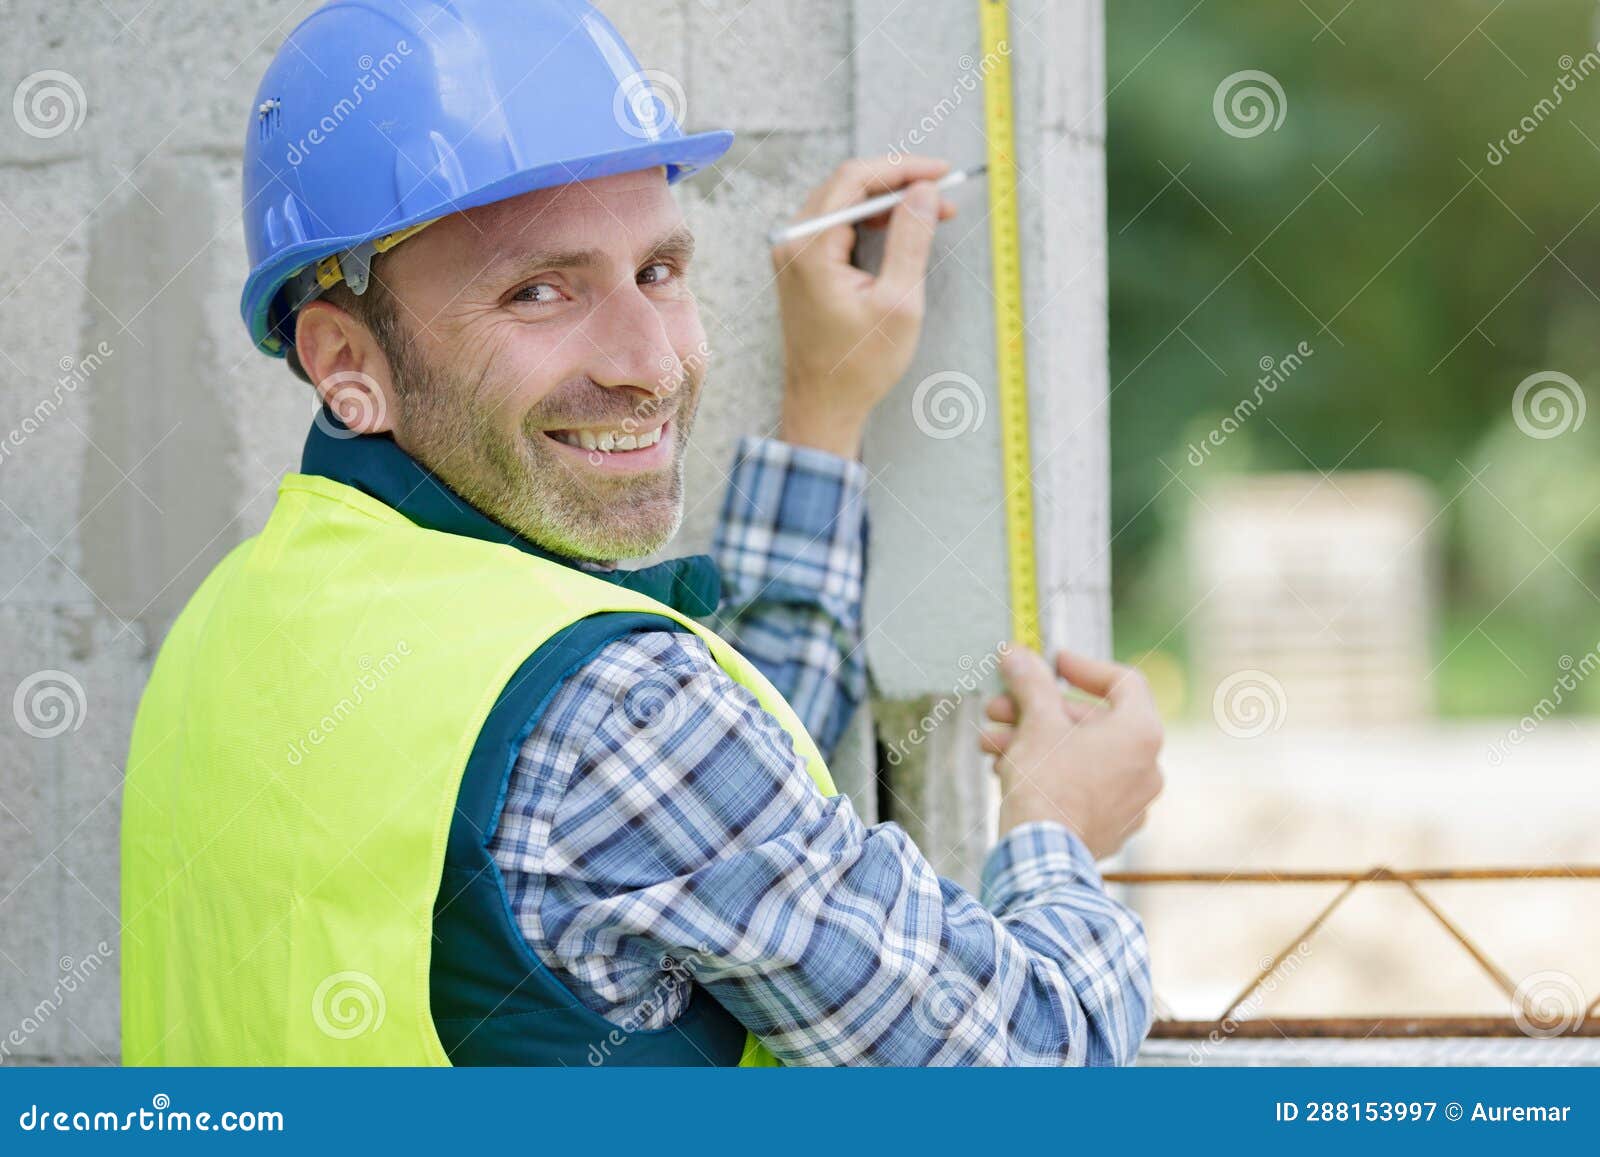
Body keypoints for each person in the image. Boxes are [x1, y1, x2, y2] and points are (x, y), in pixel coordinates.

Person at [120, 0, 1164, 1067]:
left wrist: (824, 410)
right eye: (538, 291)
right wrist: (1055, 830)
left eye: (659, 272)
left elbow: (699, 840)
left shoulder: (226, 632)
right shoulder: (620, 711)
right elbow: (1038, 1066)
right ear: (346, 361)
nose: (651, 364)